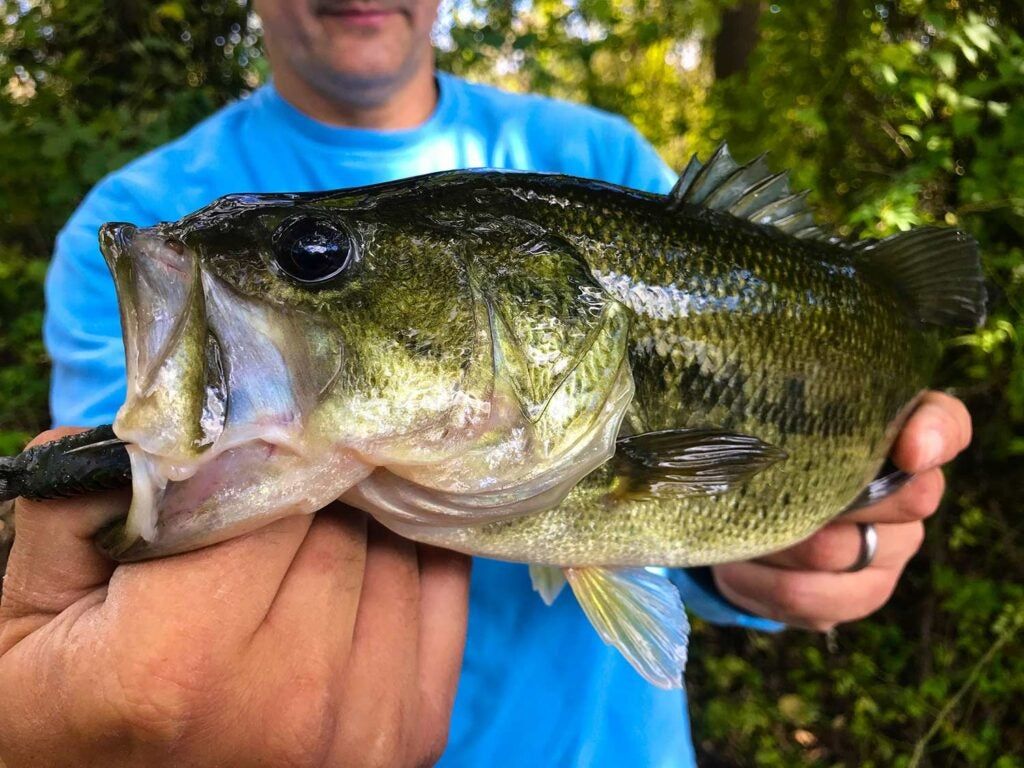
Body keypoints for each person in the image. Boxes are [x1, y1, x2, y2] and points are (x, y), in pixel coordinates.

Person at [0, 1, 974, 765]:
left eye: (315, 256)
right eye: (317, 254)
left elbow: (686, 532)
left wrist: (755, 567)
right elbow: (125, 545)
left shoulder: (603, 157)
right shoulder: (134, 219)